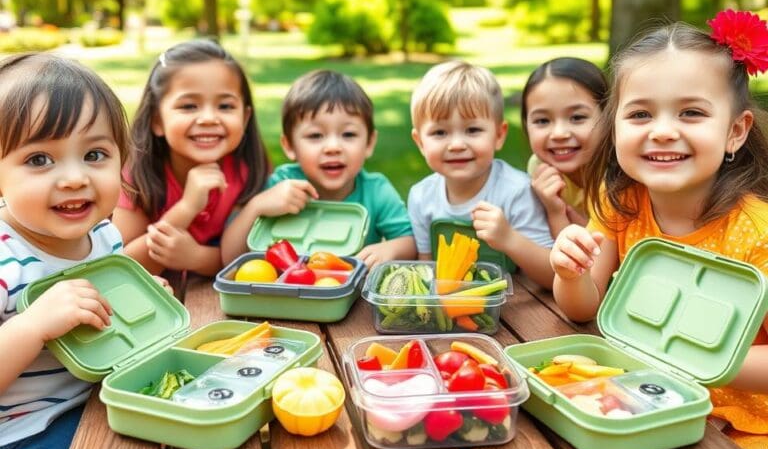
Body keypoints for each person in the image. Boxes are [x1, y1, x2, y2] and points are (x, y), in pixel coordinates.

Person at [549, 11, 768, 449]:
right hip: (643, 404)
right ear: (615, 129)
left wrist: (695, 361)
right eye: (640, 114)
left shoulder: (757, 232)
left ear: (735, 131)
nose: (663, 130)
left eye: (691, 112)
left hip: (745, 430)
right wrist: (570, 275)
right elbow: (582, 309)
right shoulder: (622, 202)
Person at [0, 53, 128, 449]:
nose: (75, 177)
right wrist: (31, 326)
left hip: (97, 405)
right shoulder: (5, 261)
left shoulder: (105, 237)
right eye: (40, 159)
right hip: (21, 438)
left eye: (94, 154)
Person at [221, 69, 416, 269]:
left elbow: (410, 242)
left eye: (348, 134)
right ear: (289, 145)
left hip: (355, 296)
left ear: (369, 143)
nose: (333, 147)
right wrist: (256, 206)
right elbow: (229, 259)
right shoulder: (280, 185)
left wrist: (390, 249)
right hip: (286, 293)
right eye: (315, 136)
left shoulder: (376, 191)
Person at [113, 39, 270, 276]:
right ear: (157, 120)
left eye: (225, 106)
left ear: (245, 118)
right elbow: (120, 266)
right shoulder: (136, 176)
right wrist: (186, 208)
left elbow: (247, 259)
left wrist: (196, 257)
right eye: (188, 106)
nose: (208, 118)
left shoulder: (248, 173)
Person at [408, 60, 555, 288]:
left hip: (517, 308)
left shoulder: (516, 191)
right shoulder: (420, 197)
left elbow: (554, 276)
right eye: (439, 132)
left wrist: (509, 239)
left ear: (498, 135)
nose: (456, 144)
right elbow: (427, 272)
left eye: (473, 130)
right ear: (420, 142)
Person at [522, 57, 607, 238]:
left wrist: (562, 214)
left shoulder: (622, 175)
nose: (559, 133)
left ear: (607, 118)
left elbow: (604, 250)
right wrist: (555, 211)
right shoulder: (540, 168)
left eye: (577, 117)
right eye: (542, 121)